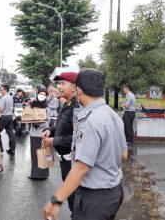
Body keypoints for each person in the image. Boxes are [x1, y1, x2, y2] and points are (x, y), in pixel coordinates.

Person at [43, 69, 128, 220]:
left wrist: (56, 201)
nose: (60, 86)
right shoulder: (112, 115)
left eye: (63, 83)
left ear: (79, 90)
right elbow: (123, 155)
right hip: (113, 192)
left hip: (94, 198)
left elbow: (82, 167)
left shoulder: (90, 120)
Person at [42, 71, 79, 213]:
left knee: (75, 197)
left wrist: (54, 141)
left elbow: (76, 139)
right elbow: (61, 125)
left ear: (74, 87)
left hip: (72, 161)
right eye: (59, 83)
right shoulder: (67, 104)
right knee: (70, 195)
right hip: (64, 160)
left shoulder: (77, 107)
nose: (59, 86)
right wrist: (50, 130)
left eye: (63, 83)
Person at [29, 87, 50, 179]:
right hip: (34, 133)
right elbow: (27, 116)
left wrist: (40, 122)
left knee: (44, 153)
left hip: (43, 133)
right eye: (41, 94)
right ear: (37, 94)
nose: (42, 96)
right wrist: (31, 121)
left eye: (44, 95)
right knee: (34, 155)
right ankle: (35, 174)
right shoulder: (32, 104)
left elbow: (48, 121)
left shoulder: (47, 107)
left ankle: (43, 174)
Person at [0, 84, 16, 154]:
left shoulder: (3, 98)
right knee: (11, 133)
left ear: (5, 90)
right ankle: (12, 149)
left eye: (1, 90)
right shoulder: (11, 97)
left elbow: (1, 110)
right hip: (10, 116)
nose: (0, 91)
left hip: (4, 117)